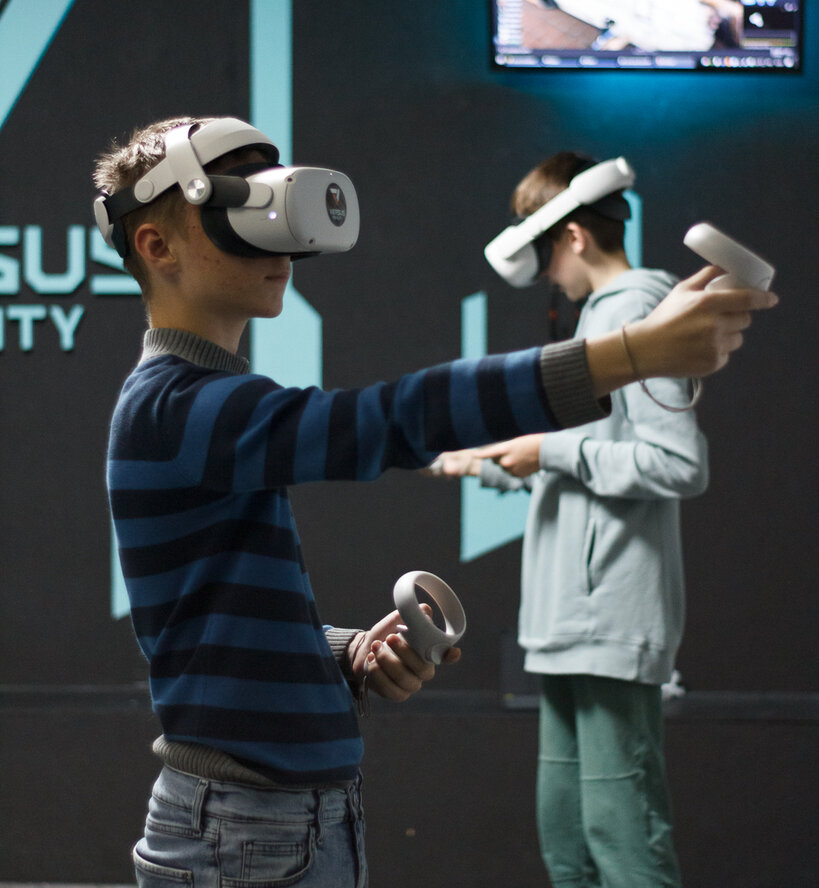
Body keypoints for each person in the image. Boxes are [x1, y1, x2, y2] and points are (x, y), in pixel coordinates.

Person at [92, 120, 775, 888]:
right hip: (240, 824)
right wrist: (628, 355)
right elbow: (385, 420)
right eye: (241, 219)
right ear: (156, 245)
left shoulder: (207, 404)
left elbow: (207, 625)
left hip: (288, 815)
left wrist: (343, 655)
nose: (278, 245)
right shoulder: (177, 406)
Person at [432, 150, 722, 887]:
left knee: (622, 841)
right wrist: (491, 462)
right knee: (567, 841)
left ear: (572, 235)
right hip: (568, 625)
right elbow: (595, 458)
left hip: (610, 620)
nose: (545, 274)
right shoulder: (601, 318)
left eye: (545, 252)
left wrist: (550, 450)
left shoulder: (635, 315)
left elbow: (677, 464)